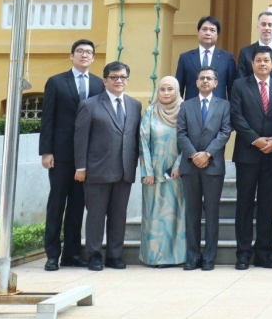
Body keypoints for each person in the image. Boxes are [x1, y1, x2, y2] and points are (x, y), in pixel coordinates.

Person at [39, 39, 103, 271]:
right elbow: (47, 119)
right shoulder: (56, 82)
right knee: (57, 204)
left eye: (88, 52)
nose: (84, 55)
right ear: (72, 55)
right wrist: (46, 151)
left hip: (86, 157)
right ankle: (52, 254)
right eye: (80, 51)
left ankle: (72, 254)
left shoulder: (98, 84)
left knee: (78, 206)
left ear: (94, 58)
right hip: (61, 154)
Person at [74, 60, 141, 271]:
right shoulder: (89, 104)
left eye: (122, 77)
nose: (118, 81)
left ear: (127, 81)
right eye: (114, 77)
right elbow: (80, 139)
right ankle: (94, 255)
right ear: (105, 81)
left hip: (124, 170)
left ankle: (114, 255)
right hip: (97, 170)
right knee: (95, 215)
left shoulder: (135, 105)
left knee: (119, 215)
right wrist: (81, 167)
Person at [228, 47, 272, 269]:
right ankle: (243, 254)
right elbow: (236, 115)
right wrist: (255, 139)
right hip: (247, 153)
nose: (263, 64)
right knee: (244, 205)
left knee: (266, 206)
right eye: (258, 60)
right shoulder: (239, 85)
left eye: (266, 60)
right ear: (252, 63)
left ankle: (263, 253)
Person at [177, 66, 232, 271]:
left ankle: (209, 256)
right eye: (202, 78)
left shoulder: (224, 105)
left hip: (213, 165)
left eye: (210, 78)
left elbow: (225, 132)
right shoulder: (186, 105)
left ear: (216, 83)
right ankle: (193, 256)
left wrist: (207, 154)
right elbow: (181, 133)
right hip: (190, 166)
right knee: (191, 212)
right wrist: (194, 155)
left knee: (211, 212)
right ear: (196, 82)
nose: (206, 81)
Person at [138, 76, 186, 267]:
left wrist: (179, 166)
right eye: (162, 90)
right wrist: (147, 172)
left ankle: (176, 256)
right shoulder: (150, 112)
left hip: (177, 173)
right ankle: (154, 257)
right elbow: (143, 142)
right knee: (154, 215)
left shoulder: (185, 111)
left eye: (170, 89)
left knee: (176, 214)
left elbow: (190, 139)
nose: (166, 93)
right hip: (154, 174)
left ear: (177, 91)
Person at [175, 15, 238, 101]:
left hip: (218, 111)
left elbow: (232, 89)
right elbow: (179, 88)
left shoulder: (227, 58)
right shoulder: (185, 58)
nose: (208, 33)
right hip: (191, 110)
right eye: (204, 29)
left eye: (212, 30)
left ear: (217, 35)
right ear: (198, 32)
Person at [237, 12, 272, 84]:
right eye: (263, 24)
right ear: (258, 26)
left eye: (270, 25)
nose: (267, 28)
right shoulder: (245, 52)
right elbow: (240, 82)